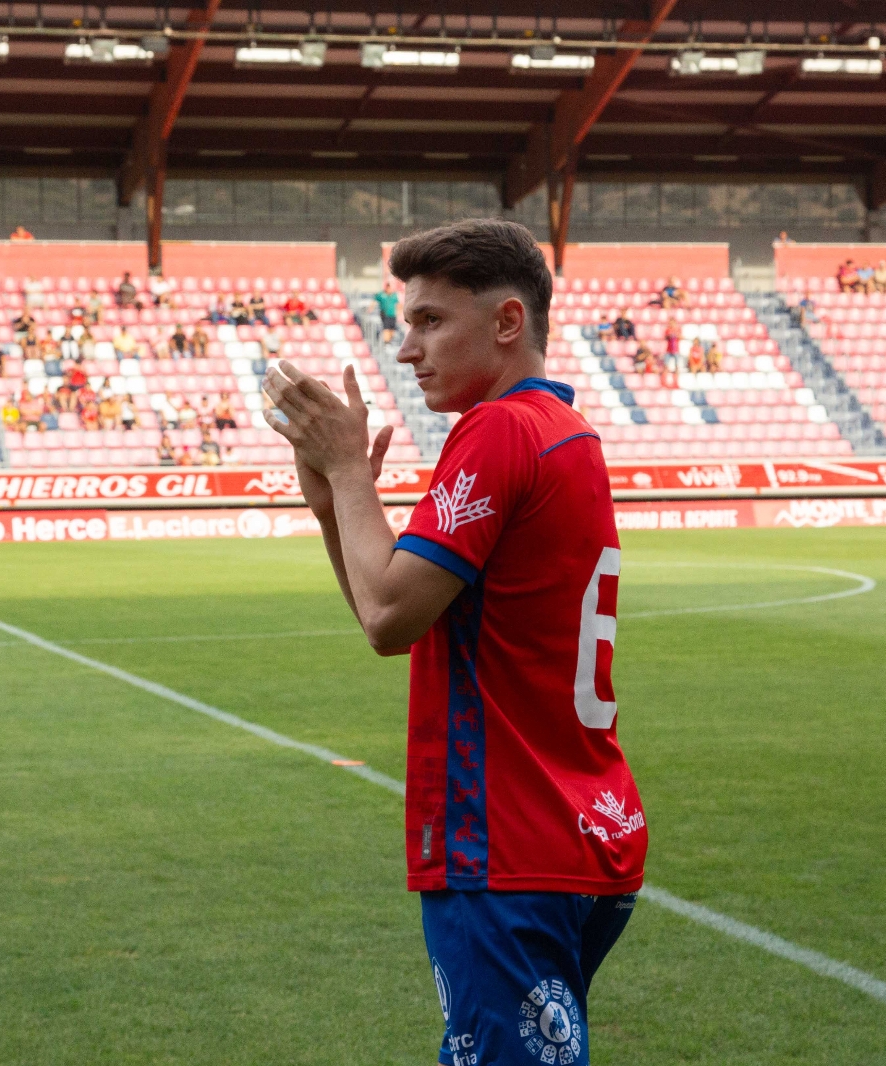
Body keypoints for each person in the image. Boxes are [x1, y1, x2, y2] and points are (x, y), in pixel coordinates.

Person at [261, 218, 644, 1066]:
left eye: (430, 321)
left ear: (507, 321)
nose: (406, 350)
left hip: (506, 843)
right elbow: (390, 618)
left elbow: (390, 615)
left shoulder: (498, 429)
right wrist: (333, 508)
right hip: (582, 827)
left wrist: (351, 470)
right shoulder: (564, 432)